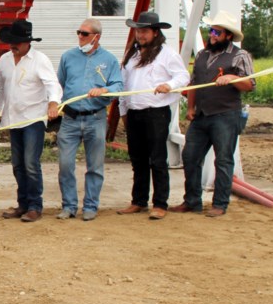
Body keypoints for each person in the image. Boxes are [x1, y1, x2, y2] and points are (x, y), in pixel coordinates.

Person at [173, 11, 256, 217]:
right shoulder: (201, 55)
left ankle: (220, 203)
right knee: (190, 156)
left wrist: (231, 77)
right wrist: (190, 108)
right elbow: (194, 84)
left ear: (228, 35)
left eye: (217, 32)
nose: (212, 35)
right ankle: (192, 201)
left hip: (226, 114)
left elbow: (250, 84)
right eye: (211, 30)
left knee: (223, 160)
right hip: (201, 115)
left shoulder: (240, 56)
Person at [118, 11, 190, 220]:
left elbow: (183, 75)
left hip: (156, 112)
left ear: (155, 32)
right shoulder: (132, 55)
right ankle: (138, 201)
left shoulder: (167, 54)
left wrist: (170, 85)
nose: (141, 35)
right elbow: (124, 85)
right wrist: (124, 111)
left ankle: (160, 203)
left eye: (145, 31)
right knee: (137, 158)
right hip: (134, 112)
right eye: (138, 31)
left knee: (157, 158)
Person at [55, 19, 123, 221]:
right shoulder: (68, 57)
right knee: (65, 164)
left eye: (84, 34)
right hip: (70, 118)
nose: (80, 37)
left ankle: (91, 206)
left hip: (96, 118)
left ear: (96, 37)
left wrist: (104, 90)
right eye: (79, 32)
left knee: (94, 165)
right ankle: (69, 206)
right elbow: (59, 84)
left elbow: (119, 85)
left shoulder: (109, 60)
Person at [0, 20, 62, 223]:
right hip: (12, 119)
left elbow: (53, 84)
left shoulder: (39, 60)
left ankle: (35, 205)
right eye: (11, 42)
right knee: (17, 164)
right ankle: (23, 203)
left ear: (27, 42)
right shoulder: (5, 60)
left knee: (30, 163)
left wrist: (53, 104)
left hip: (33, 118)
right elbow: (0, 88)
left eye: (18, 42)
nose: (13, 46)